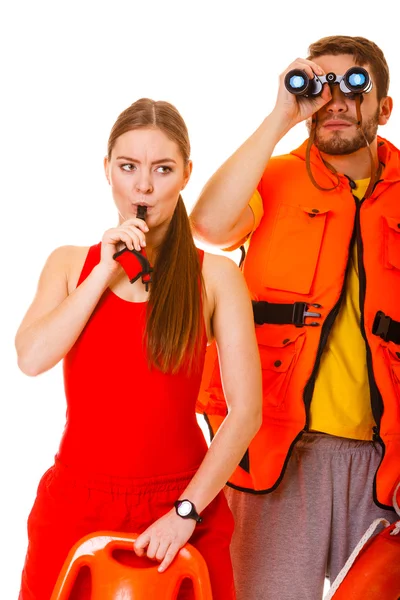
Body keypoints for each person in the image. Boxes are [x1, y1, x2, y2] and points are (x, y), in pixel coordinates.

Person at [15, 98, 262, 600]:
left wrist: (185, 512)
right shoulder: (68, 264)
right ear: (107, 170)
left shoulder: (216, 276)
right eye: (129, 167)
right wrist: (104, 269)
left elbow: (246, 412)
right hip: (74, 505)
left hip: (183, 502)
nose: (144, 186)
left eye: (163, 169)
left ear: (187, 174)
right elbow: (31, 358)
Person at [191, 36, 400, 599]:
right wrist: (283, 114)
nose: (334, 99)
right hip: (279, 455)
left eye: (353, 85)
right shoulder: (275, 177)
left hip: (387, 465)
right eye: (320, 85)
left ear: (383, 107)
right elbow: (208, 225)